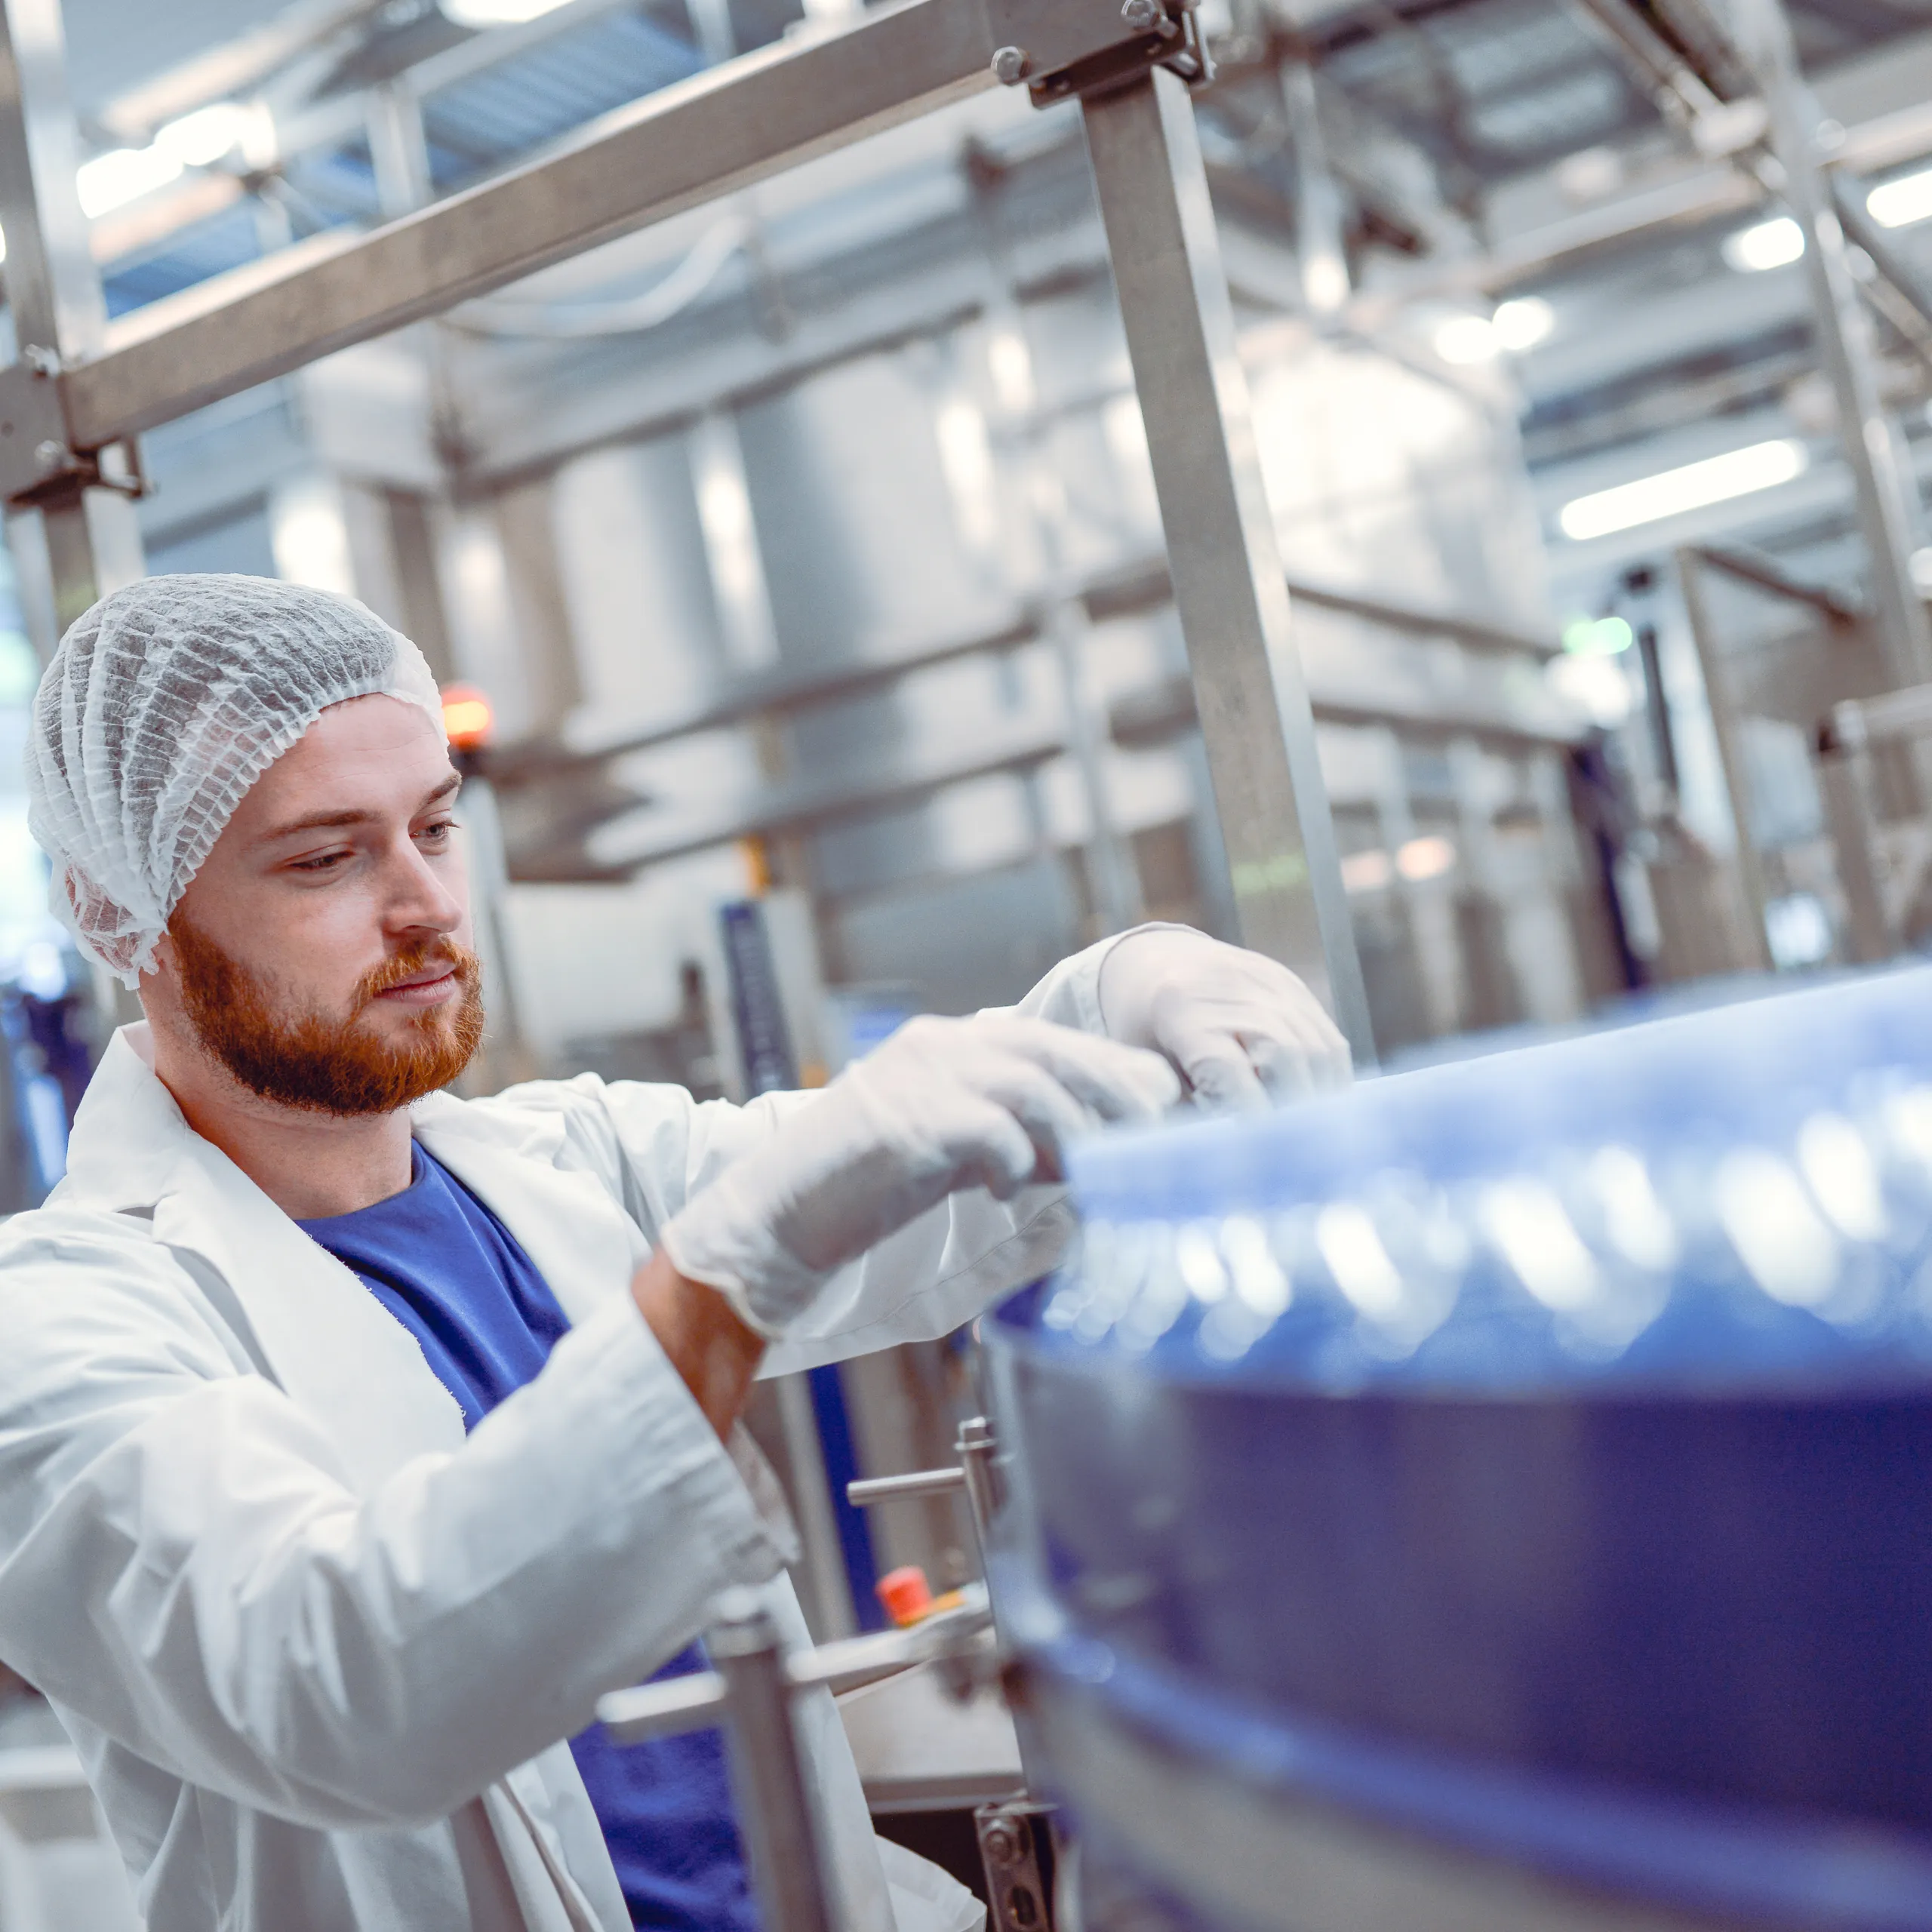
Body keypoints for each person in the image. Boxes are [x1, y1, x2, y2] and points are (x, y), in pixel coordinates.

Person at [0, 575, 1350, 1932]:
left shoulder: (563, 1161)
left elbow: (945, 1185)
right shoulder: (60, 1330)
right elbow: (341, 1684)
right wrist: (725, 1273)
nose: (426, 904)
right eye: (324, 859)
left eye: (436, 826)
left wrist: (1134, 991)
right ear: (126, 916)